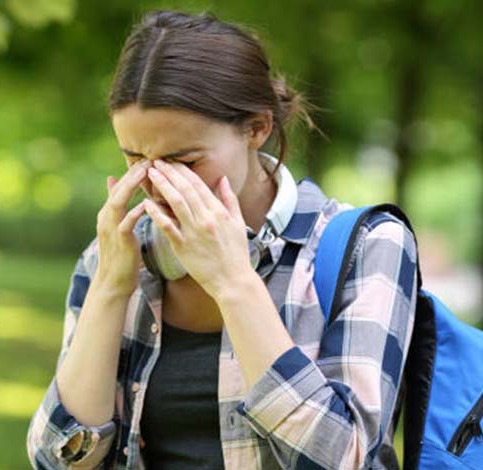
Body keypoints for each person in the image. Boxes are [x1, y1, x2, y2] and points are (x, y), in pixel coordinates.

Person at [27, 9, 418, 470]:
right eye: (134, 157)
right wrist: (111, 289)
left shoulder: (370, 246)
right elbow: (59, 460)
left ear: (257, 128)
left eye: (185, 160)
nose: (155, 182)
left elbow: (347, 460)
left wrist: (234, 283)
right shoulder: (114, 256)